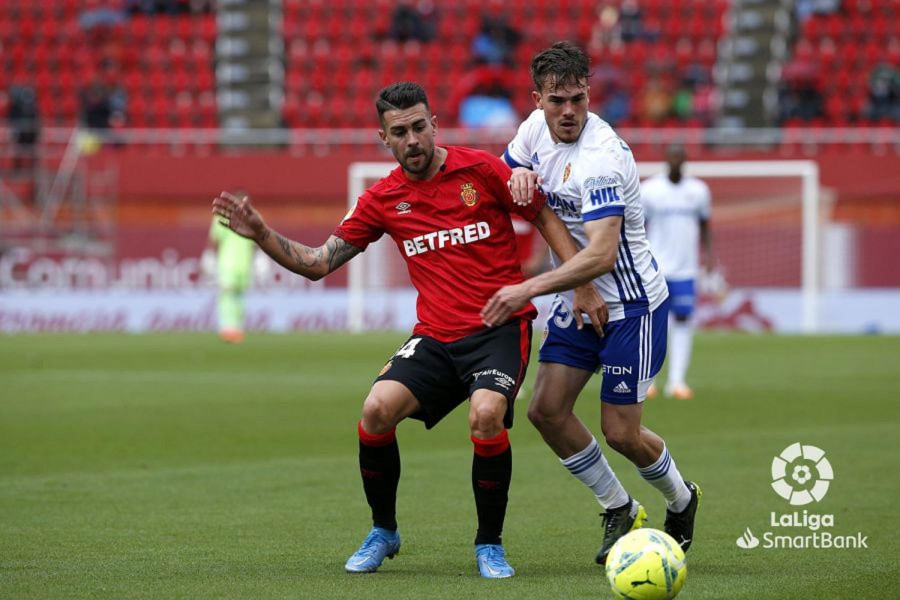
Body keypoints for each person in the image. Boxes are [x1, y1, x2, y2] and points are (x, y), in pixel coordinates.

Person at [211, 81, 603, 578]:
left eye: (420, 127)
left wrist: (583, 285)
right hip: (436, 336)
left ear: (434, 125)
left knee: (486, 415)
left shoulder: (481, 170)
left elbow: (542, 215)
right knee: (376, 410)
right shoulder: (381, 199)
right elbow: (316, 263)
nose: (413, 139)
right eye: (401, 132)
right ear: (384, 138)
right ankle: (383, 530)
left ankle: (489, 544)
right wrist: (263, 235)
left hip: (498, 329)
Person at [481, 41, 700, 565]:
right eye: (556, 100)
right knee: (546, 411)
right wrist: (515, 176)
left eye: (577, 99)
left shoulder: (601, 156)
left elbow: (601, 254)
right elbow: (507, 182)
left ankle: (681, 498)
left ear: (588, 94)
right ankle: (618, 506)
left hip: (631, 305)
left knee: (621, 431)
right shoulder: (534, 132)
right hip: (580, 299)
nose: (568, 111)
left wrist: (528, 287)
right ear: (538, 100)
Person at [641, 145, 714, 399]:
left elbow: (705, 224)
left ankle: (677, 381)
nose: (674, 160)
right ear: (665, 159)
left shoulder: (698, 191)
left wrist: (710, 256)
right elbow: (638, 227)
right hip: (655, 269)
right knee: (651, 323)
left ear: (684, 160)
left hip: (686, 270)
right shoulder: (649, 190)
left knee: (683, 320)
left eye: (678, 157)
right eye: (670, 156)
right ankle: (647, 381)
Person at [204, 201, 256, 343]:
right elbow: (215, 240)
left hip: (244, 264)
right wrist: (209, 256)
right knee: (227, 295)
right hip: (227, 263)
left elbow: (257, 241)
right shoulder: (222, 217)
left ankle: (237, 329)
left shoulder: (251, 219)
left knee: (239, 296)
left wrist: (259, 258)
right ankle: (226, 328)